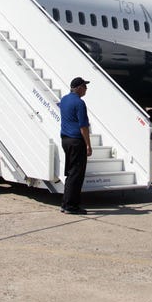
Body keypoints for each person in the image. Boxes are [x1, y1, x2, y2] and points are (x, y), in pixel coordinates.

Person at [58, 77, 92, 215]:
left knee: (71, 173)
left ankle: (65, 203)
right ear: (78, 88)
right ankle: (71, 206)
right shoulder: (79, 103)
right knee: (76, 174)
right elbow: (83, 127)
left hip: (65, 140)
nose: (86, 90)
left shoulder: (64, 100)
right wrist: (88, 145)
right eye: (85, 87)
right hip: (76, 141)